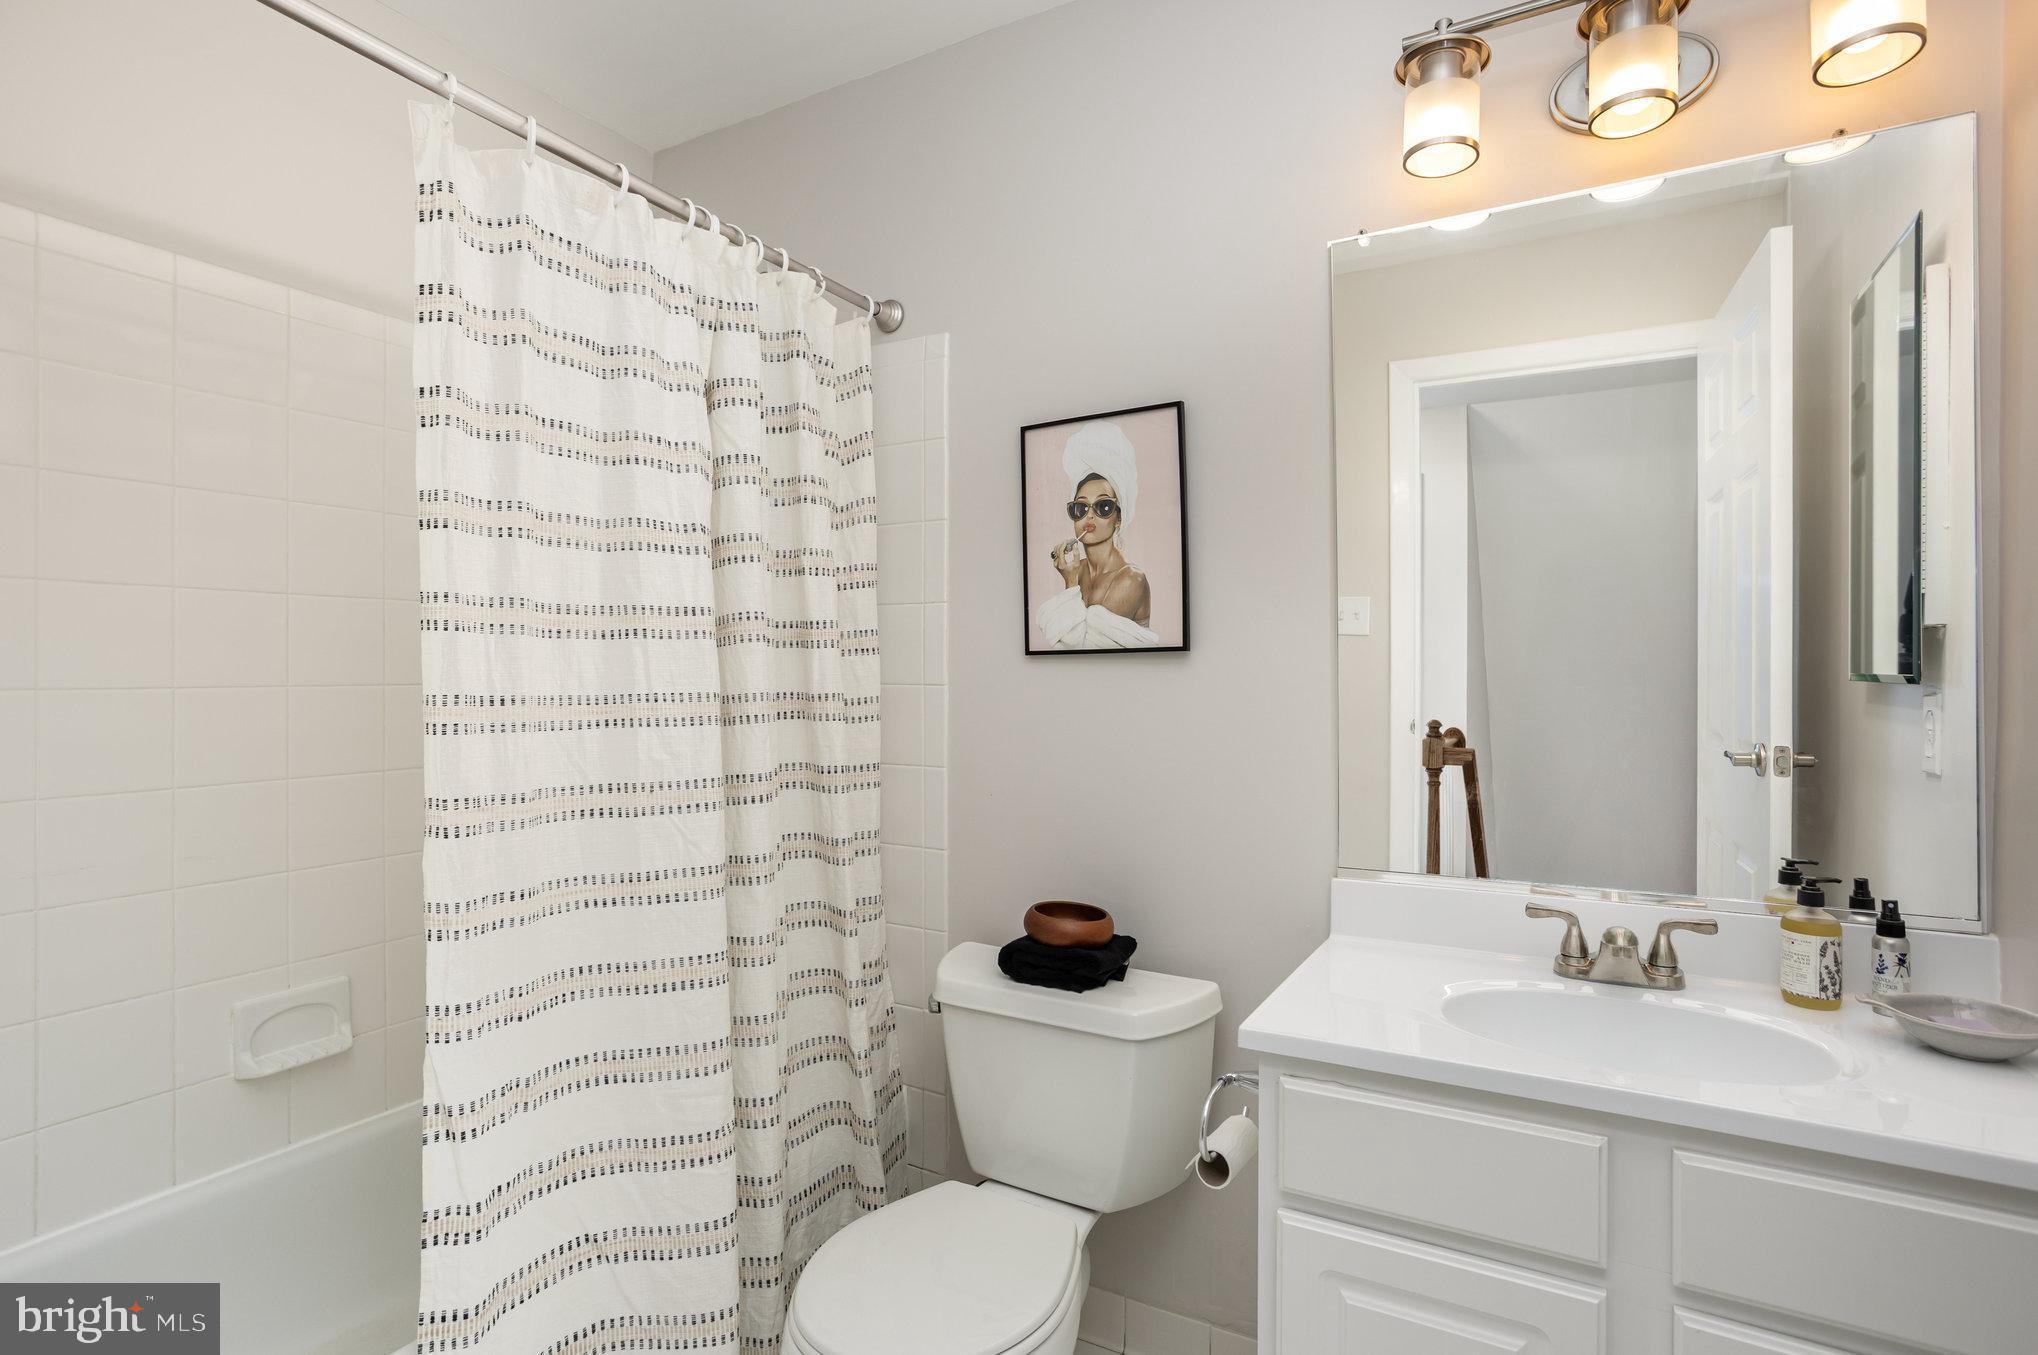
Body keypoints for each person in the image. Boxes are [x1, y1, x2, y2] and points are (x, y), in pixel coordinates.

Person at [1035, 421, 1160, 648]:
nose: (1089, 517)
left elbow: (1079, 647)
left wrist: (1071, 583)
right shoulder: (1076, 568)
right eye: (1080, 508)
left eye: (1103, 507)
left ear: (1119, 517)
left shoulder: (1132, 579)